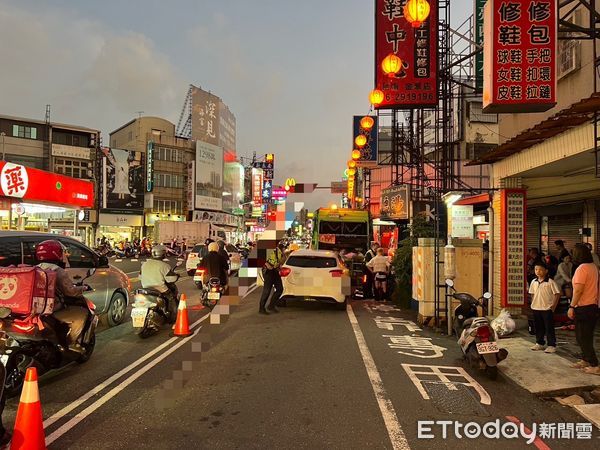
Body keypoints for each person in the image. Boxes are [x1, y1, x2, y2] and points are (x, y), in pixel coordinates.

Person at [35, 240, 90, 351]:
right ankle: (71, 344)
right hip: (51, 310)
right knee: (82, 315)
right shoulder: (57, 270)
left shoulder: (36, 268)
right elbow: (70, 291)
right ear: (56, 253)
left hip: (34, 309)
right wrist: (84, 288)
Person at [568, 243, 600, 374]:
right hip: (592, 306)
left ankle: (594, 364)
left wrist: (571, 306)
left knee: (583, 337)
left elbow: (579, 290)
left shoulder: (582, 268)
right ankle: (585, 359)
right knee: (583, 336)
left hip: (584, 307)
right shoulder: (593, 267)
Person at [528, 261, 561, 353]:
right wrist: (533, 304)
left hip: (547, 309)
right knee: (538, 327)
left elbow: (557, 294)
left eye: (540, 270)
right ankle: (540, 343)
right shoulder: (533, 282)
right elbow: (532, 294)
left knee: (549, 327)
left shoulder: (550, 282)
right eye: (536, 269)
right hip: (536, 308)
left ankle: (551, 345)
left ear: (546, 271)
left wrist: (553, 306)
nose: (538, 271)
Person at [140, 245, 178, 322]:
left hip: (146, 288)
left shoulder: (144, 264)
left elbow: (139, 277)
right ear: (163, 254)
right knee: (171, 298)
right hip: (159, 289)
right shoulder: (164, 265)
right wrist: (177, 276)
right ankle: (172, 318)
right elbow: (171, 279)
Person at [258, 240, 286, 314]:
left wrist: (282, 257)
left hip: (275, 271)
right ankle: (261, 308)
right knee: (267, 290)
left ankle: (271, 306)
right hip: (268, 272)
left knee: (280, 289)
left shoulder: (278, 250)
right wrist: (268, 265)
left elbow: (282, 260)